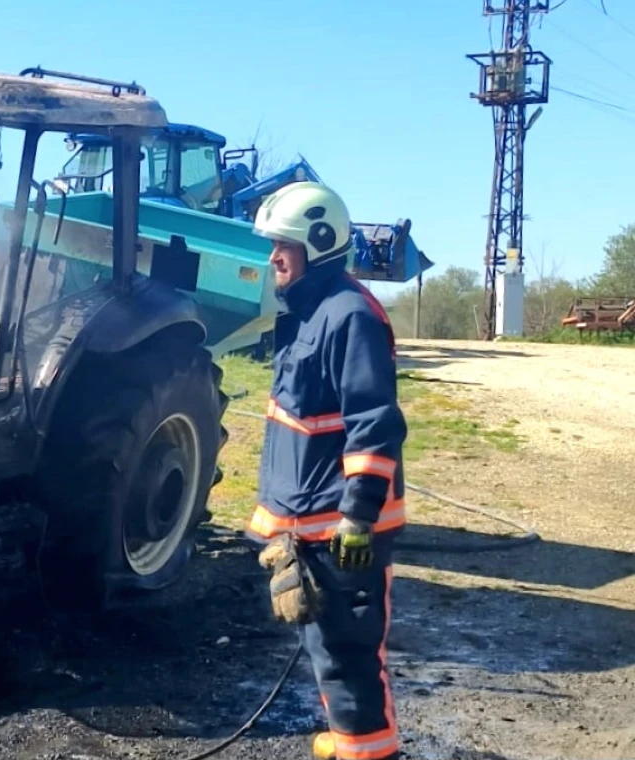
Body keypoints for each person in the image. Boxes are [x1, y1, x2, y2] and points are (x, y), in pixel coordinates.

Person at [247, 182, 407, 760]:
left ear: (317, 244)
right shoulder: (312, 312)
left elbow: (375, 423)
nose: (273, 259)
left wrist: (358, 518)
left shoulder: (350, 317)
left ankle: (368, 751)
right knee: (326, 649)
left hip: (344, 530)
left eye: (281, 246)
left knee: (347, 655)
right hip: (311, 522)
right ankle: (348, 741)